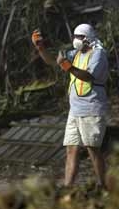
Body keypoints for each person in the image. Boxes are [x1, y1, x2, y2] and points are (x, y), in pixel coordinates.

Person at [31, 23, 109, 189]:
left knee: (92, 149)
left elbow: (88, 76)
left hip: (91, 108)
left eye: (79, 37)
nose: (75, 40)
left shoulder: (98, 54)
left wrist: (67, 66)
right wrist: (41, 48)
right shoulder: (76, 54)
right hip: (75, 110)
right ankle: (68, 187)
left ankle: (102, 186)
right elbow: (54, 62)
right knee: (71, 149)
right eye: (74, 36)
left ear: (87, 38)